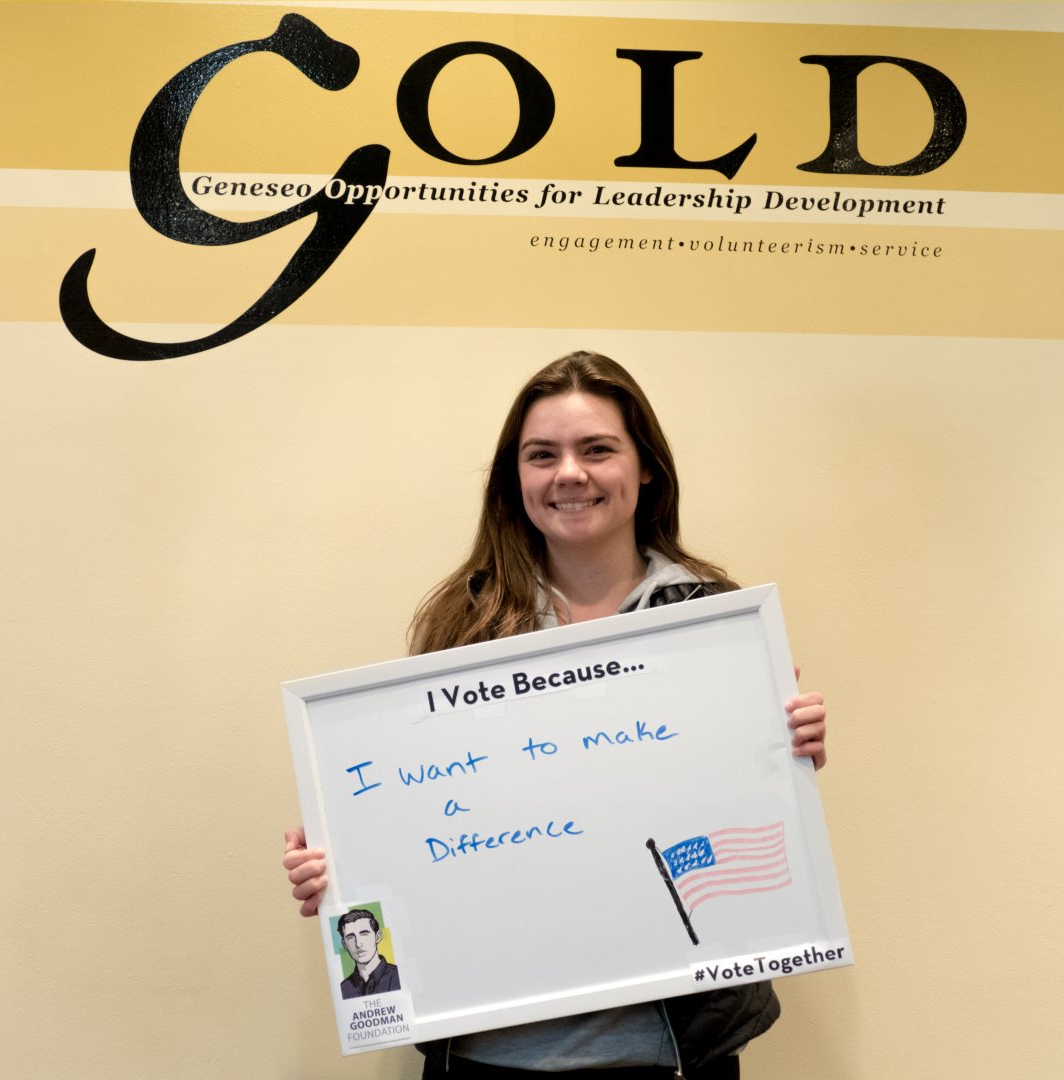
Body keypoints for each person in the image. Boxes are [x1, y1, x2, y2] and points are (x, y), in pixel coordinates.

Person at [283, 351, 828, 1079]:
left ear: (646, 468)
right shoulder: (462, 625)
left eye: (597, 449)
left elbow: (744, 815)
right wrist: (342, 863)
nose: (569, 473)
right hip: (488, 1056)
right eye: (542, 455)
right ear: (516, 479)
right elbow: (418, 818)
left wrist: (785, 756)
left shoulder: (711, 618)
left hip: (672, 1055)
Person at [337, 909, 401, 999]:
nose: (358, 944)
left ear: (377, 937)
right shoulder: (343, 988)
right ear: (344, 945)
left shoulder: (398, 975)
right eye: (350, 937)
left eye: (364, 934)